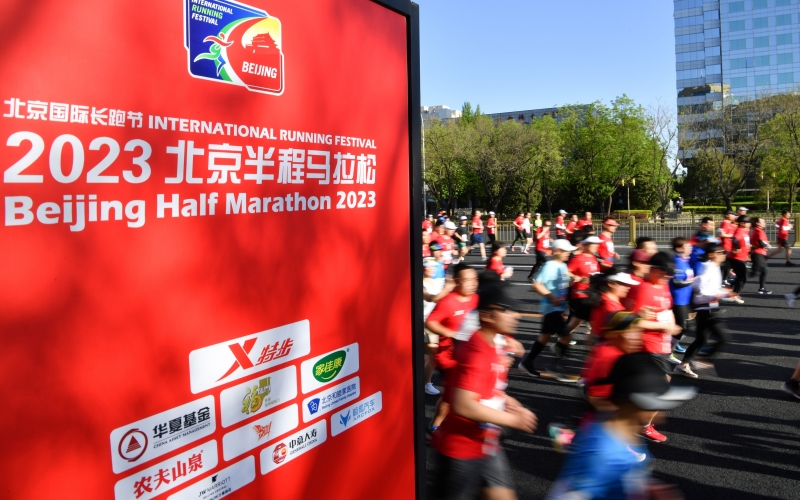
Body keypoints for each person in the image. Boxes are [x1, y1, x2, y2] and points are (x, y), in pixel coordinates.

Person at [431, 282, 537, 500]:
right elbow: (463, 405)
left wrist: (507, 400)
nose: (516, 315)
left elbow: (485, 389)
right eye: (507, 310)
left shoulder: (493, 344)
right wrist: (513, 420)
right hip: (461, 451)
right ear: (487, 315)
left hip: (487, 444)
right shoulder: (476, 353)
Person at [546, 353, 696, 500]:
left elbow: (622, 479)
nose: (661, 415)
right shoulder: (601, 454)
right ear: (634, 404)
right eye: (657, 406)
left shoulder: (626, 431)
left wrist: (646, 488)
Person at [623, 251, 682, 442]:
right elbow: (635, 321)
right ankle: (641, 426)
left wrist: (671, 325)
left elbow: (667, 309)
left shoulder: (662, 285)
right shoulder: (643, 289)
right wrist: (664, 327)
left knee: (653, 389)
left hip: (662, 345)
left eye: (670, 274)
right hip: (647, 346)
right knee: (660, 390)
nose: (668, 277)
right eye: (665, 273)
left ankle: (632, 419)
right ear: (654, 270)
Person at [425, 263, 480, 430]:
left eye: (475, 279)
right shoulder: (448, 301)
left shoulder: (476, 298)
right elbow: (430, 322)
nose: (472, 283)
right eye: (467, 280)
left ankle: (441, 425)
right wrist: (452, 333)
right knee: (454, 395)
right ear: (457, 281)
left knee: (463, 392)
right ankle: (436, 426)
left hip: (469, 355)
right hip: (449, 357)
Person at [521, 239, 577, 378]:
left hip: (558, 308)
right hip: (551, 308)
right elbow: (536, 285)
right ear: (556, 251)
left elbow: (564, 281)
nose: (568, 253)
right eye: (565, 251)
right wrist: (552, 297)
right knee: (566, 337)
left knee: (545, 336)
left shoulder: (562, 265)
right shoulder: (549, 266)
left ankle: (527, 362)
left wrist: (574, 279)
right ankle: (557, 368)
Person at [675, 244, 732, 379]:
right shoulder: (708, 267)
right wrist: (719, 295)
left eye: (724, 252)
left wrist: (725, 293)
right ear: (712, 254)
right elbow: (698, 286)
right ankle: (703, 361)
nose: (724, 254)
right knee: (723, 338)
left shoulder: (715, 267)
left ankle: (683, 365)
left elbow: (710, 288)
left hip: (709, 307)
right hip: (705, 308)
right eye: (721, 252)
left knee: (701, 339)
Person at [558, 236, 602, 365]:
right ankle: (592, 352)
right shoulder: (578, 258)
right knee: (595, 324)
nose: (597, 246)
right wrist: (576, 277)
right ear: (586, 245)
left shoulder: (593, 258)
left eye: (597, 244)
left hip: (591, 295)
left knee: (575, 323)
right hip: (580, 296)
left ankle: (560, 345)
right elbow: (566, 272)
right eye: (594, 244)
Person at [424, 259, 456, 395]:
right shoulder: (420, 283)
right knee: (434, 354)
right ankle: (426, 384)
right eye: (428, 267)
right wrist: (447, 288)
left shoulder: (436, 282)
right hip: (425, 323)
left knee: (430, 355)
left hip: (436, 322)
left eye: (433, 267)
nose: (431, 269)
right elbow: (431, 298)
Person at [589, 273, 640, 340]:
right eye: (623, 284)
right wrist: (640, 316)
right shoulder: (610, 306)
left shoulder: (603, 298)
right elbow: (626, 327)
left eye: (628, 285)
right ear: (611, 283)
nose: (628, 288)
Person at [670, 237, 695, 356]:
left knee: (687, 326)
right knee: (681, 326)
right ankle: (668, 351)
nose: (690, 248)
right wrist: (694, 281)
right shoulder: (677, 262)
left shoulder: (685, 260)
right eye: (687, 246)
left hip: (686, 299)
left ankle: (673, 344)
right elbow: (677, 281)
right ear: (679, 249)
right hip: (678, 299)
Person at [728, 215, 751, 303]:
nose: (749, 224)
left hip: (742, 257)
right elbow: (734, 239)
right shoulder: (739, 231)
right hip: (737, 258)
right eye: (748, 222)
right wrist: (737, 247)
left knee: (741, 277)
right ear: (742, 223)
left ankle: (729, 290)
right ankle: (735, 294)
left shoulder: (745, 230)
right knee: (742, 277)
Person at [750, 217, 771, 294]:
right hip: (758, 253)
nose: (765, 223)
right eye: (763, 222)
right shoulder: (759, 231)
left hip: (757, 253)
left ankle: (761, 288)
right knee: (755, 273)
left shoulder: (755, 230)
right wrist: (767, 245)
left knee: (762, 271)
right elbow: (761, 242)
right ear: (758, 223)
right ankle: (733, 282)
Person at [718, 210, 736, 282]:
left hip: (729, 246)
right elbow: (721, 234)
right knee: (725, 264)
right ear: (727, 215)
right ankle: (723, 279)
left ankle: (725, 278)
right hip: (725, 246)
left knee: (727, 264)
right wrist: (731, 235)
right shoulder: (725, 223)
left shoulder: (729, 223)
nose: (734, 216)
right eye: (732, 215)